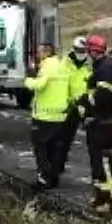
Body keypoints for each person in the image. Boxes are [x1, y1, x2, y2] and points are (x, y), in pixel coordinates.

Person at [83, 35, 112, 214]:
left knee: (105, 164)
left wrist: (85, 100)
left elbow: (103, 96)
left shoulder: (105, 68)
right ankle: (100, 197)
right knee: (97, 163)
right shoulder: (102, 66)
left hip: (104, 123)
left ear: (93, 51)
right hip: (98, 122)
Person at [24, 41, 71, 190]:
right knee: (55, 149)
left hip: (44, 116)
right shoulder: (62, 65)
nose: (37, 55)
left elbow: (40, 85)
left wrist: (28, 80)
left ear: (46, 53)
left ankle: (43, 179)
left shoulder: (46, 66)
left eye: (39, 52)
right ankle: (54, 178)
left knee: (41, 148)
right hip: (60, 115)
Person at [59, 36, 92, 166]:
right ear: (73, 49)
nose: (80, 53)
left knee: (94, 142)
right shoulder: (65, 62)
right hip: (70, 105)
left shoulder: (90, 63)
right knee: (63, 139)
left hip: (86, 104)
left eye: (83, 50)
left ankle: (97, 173)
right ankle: (59, 165)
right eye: (78, 50)